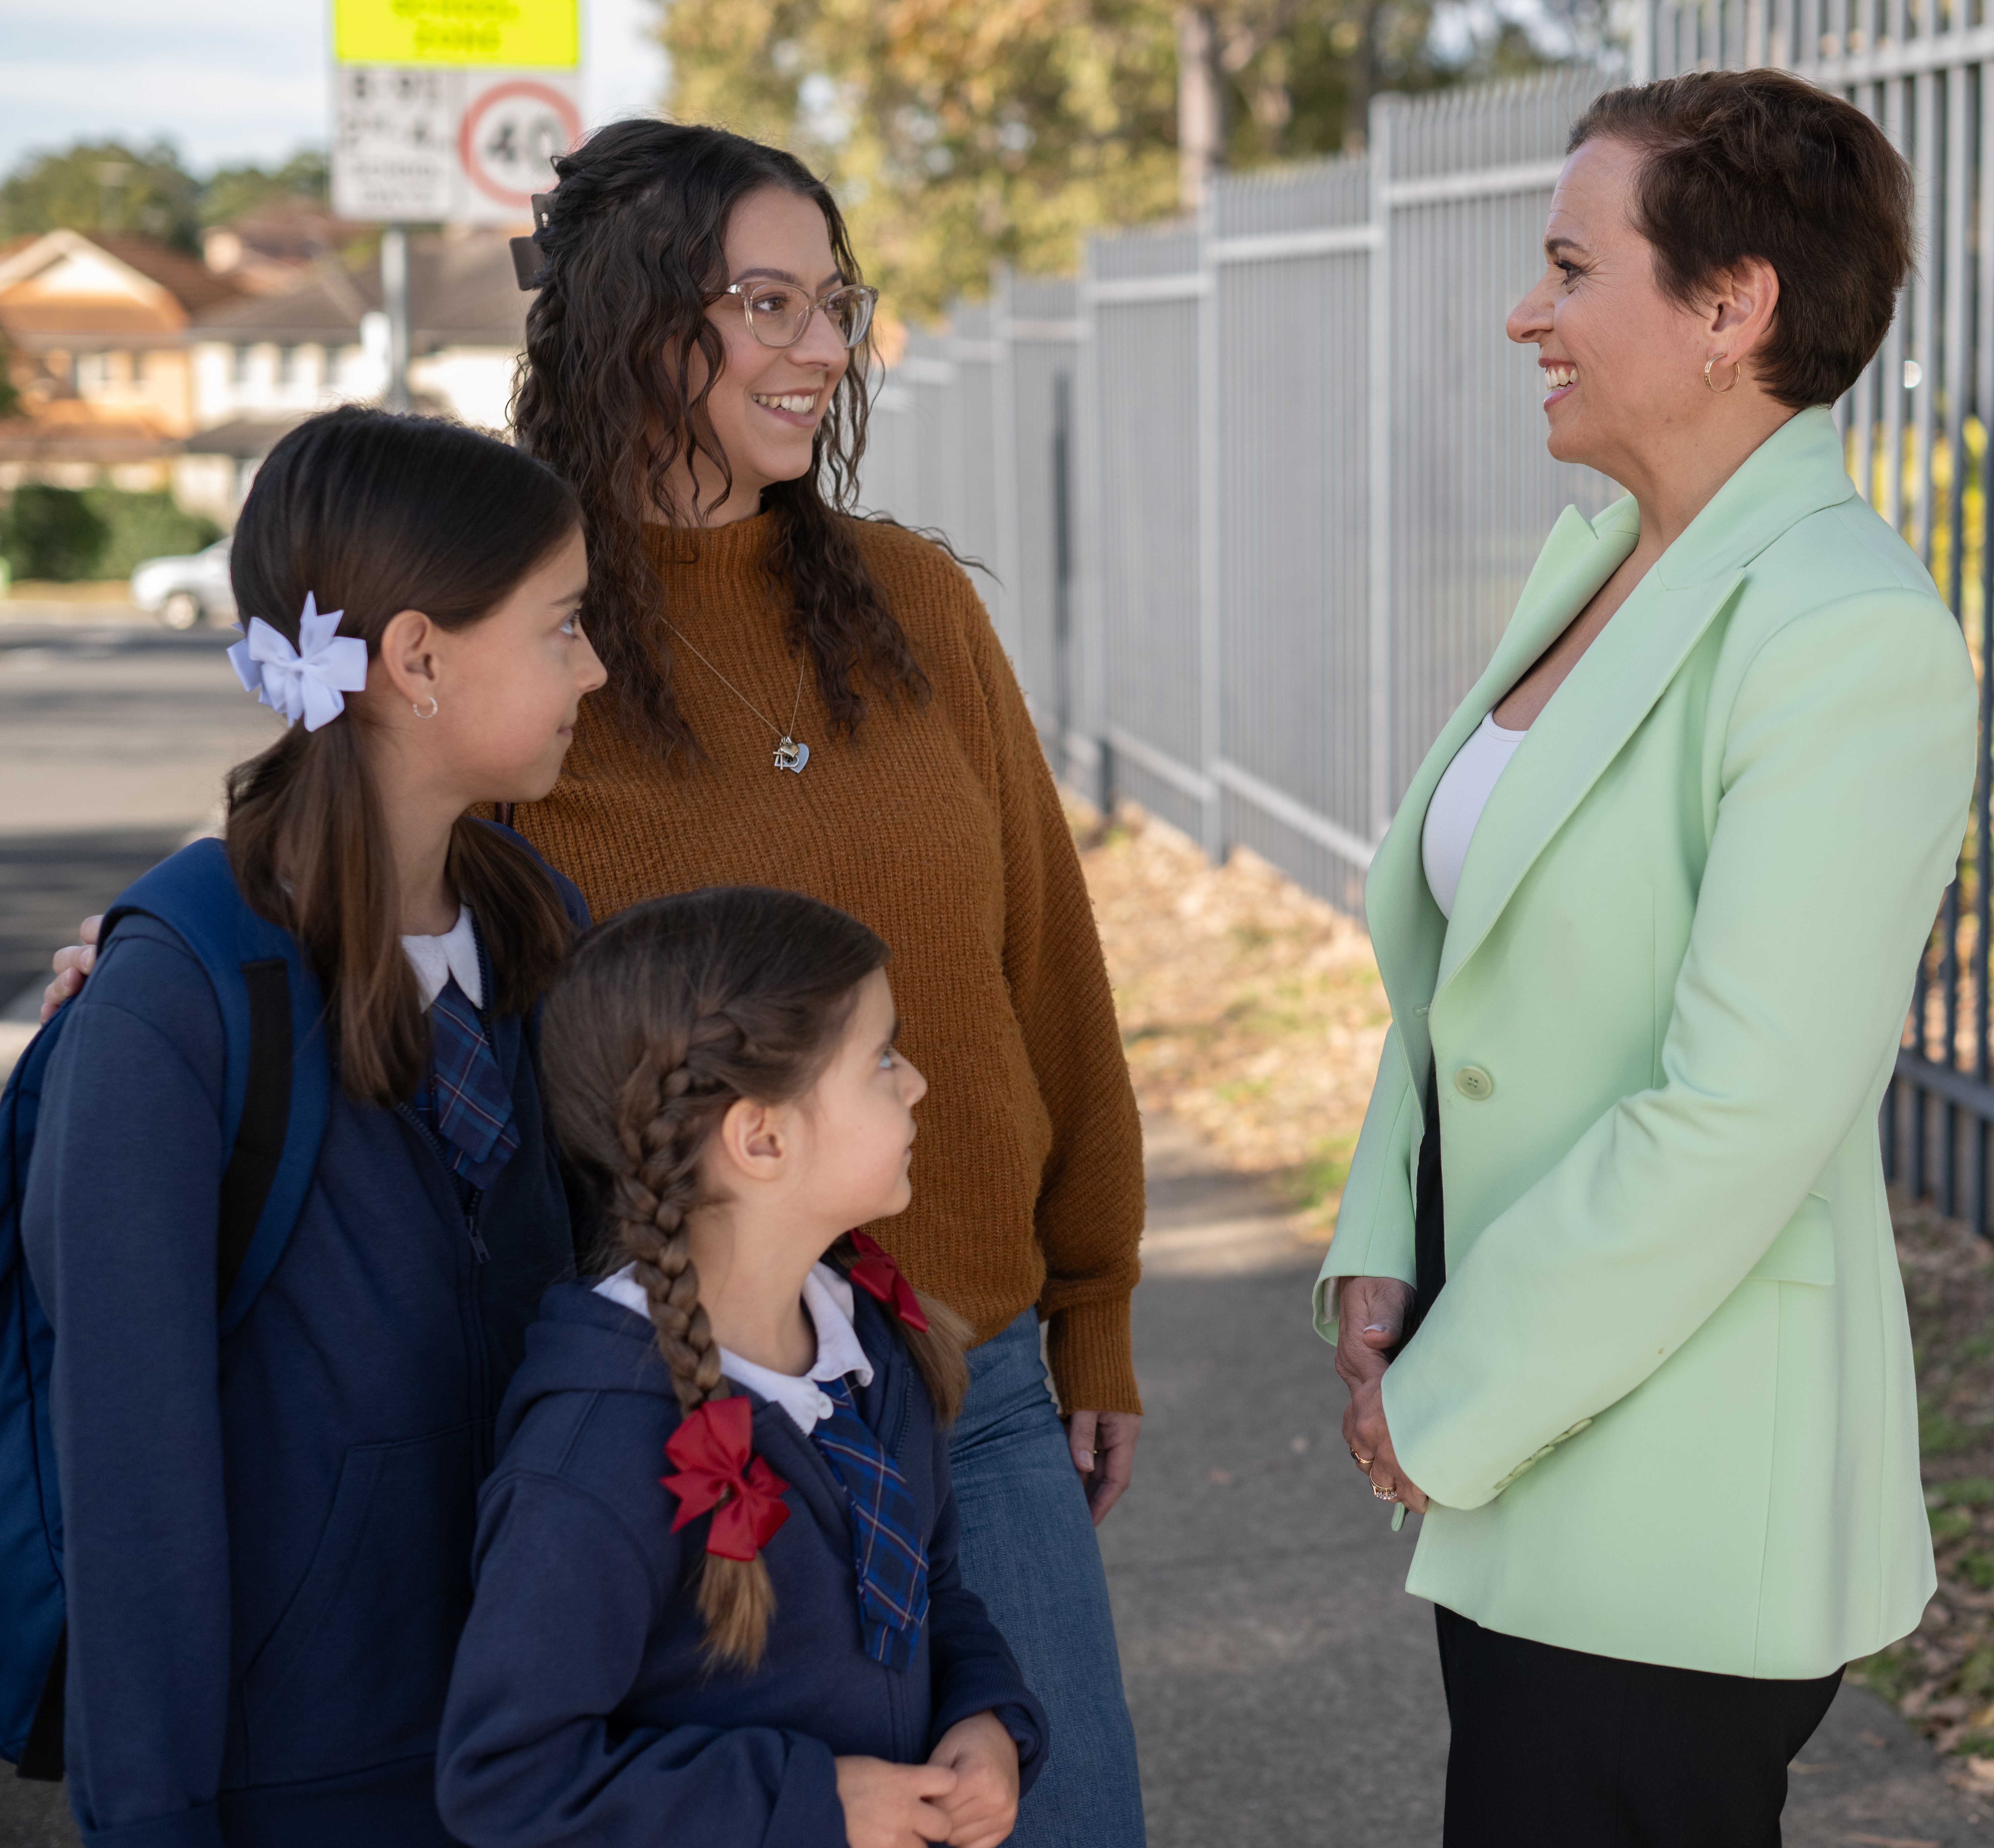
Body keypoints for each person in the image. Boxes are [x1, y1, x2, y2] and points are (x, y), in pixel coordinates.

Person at [40, 121, 1151, 1847]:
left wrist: (1101, 1298)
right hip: (691, 1423)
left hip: (965, 1380)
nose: (827, 350)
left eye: (836, 302)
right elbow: (352, 838)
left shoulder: (913, 606)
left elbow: (1047, 969)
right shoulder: (518, 670)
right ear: (642, 324)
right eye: (769, 303)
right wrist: (161, 958)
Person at [1317, 70, 1978, 1845]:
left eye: (1566, 267)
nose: (1524, 311)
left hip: (1674, 1474)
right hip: (1530, 1437)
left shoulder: (1848, 637)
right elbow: (1468, 965)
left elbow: (1743, 1112)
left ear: (1730, 307)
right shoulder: (1612, 560)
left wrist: (1452, 1400)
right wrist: (1388, 1245)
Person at [25, 406, 604, 1843]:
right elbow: (130, 1481)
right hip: (298, 1783)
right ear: (416, 657)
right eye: (564, 627)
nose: (598, 664)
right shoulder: (175, 1000)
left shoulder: (546, 935)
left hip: (547, 1749)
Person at [437, 886, 1046, 1848]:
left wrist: (985, 1715)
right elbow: (506, 1781)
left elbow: (933, 1590)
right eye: (882, 1057)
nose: (917, 1081)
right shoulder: (596, 1456)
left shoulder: (871, 1346)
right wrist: (808, 1804)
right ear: (761, 1138)